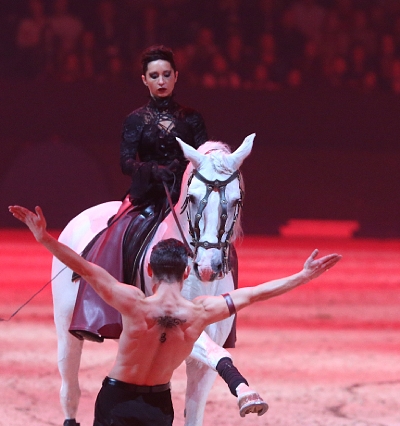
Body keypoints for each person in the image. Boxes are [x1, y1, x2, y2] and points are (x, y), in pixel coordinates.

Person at [56, 44, 267, 419]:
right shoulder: (136, 119)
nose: (161, 81)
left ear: (175, 77)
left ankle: (225, 318)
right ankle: (94, 310)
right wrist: (154, 170)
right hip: (148, 194)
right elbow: (125, 161)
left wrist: (186, 173)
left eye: (166, 74)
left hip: (186, 195)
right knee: (115, 233)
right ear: (145, 80)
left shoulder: (192, 117)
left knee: (219, 241)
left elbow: (205, 156)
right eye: (154, 76)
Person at [9, 205, 342, 425]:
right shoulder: (200, 312)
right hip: (159, 405)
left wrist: (43, 237)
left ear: (150, 270)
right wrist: (302, 277)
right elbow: (256, 293)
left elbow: (83, 266)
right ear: (187, 274)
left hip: (117, 401)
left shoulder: (133, 302)